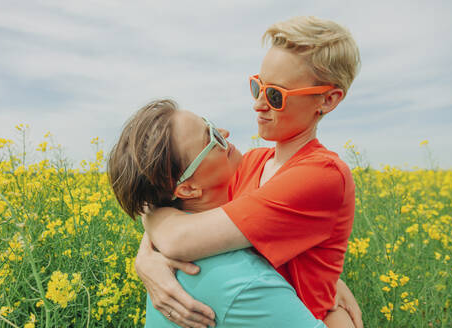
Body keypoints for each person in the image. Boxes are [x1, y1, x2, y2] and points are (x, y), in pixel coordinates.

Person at [137, 16, 362, 328]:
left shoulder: (322, 175)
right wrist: (146, 259)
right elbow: (180, 195)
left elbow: (181, 237)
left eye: (275, 96)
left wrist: (150, 248)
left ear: (328, 99)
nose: (258, 104)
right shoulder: (250, 163)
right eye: (258, 86)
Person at [108, 99, 328, 327]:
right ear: (188, 189)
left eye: (211, 125)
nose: (225, 133)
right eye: (212, 139)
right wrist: (336, 307)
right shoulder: (245, 283)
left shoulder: (161, 250)